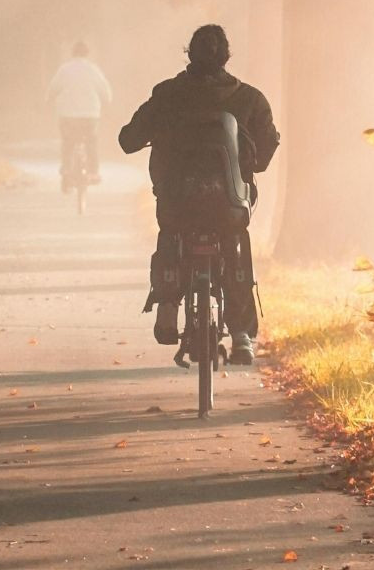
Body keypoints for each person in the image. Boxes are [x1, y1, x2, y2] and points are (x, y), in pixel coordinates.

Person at [118, 25, 280, 364]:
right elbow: (265, 155)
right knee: (236, 243)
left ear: (189, 54)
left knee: (170, 234)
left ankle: (167, 305)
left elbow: (129, 140)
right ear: (226, 57)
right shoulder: (250, 99)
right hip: (230, 204)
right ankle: (241, 334)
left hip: (178, 203)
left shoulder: (167, 95)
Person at [47, 41, 112, 189]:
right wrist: (107, 102)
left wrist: (49, 99)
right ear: (87, 54)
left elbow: (53, 88)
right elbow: (105, 90)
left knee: (67, 142)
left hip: (67, 114)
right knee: (91, 142)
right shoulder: (93, 69)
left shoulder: (64, 69)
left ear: (73, 53)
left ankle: (66, 169)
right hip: (90, 114)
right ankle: (93, 172)